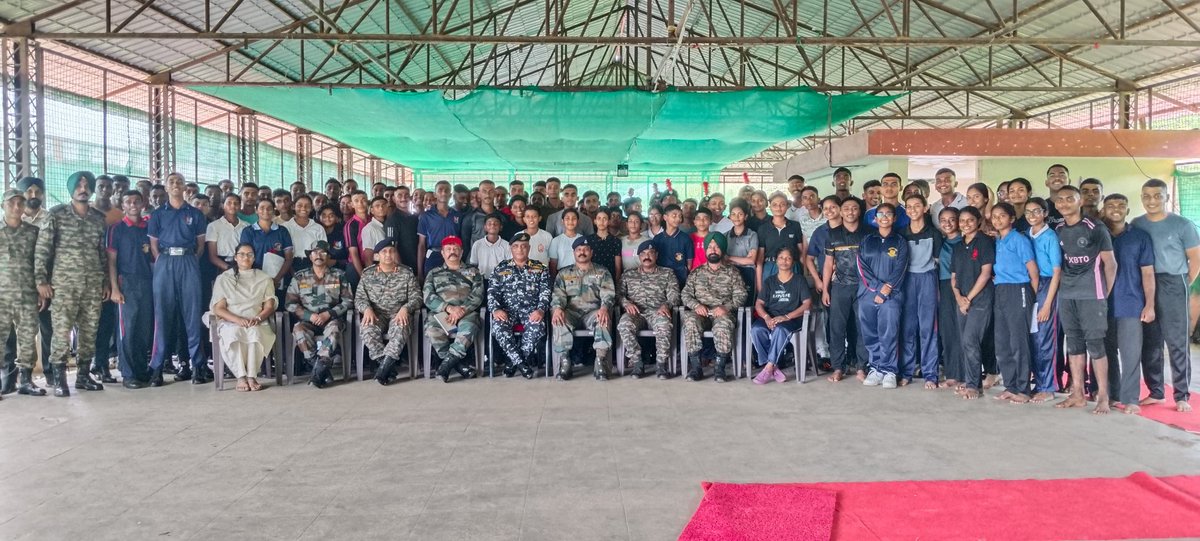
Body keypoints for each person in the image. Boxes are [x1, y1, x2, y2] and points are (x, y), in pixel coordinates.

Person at [34, 171, 111, 397]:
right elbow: (43, 251)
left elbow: (102, 253)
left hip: (92, 284)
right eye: (78, 185)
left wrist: (105, 282)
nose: (83, 188)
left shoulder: (98, 218)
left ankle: (84, 376)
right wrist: (41, 281)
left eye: (87, 185)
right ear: (71, 189)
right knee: (61, 332)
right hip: (64, 285)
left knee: (89, 331)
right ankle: (59, 378)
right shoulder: (56, 215)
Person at [1133, 178, 1200, 412]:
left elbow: (1196, 259)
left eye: (1157, 195)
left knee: (1176, 342)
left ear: (1166, 197)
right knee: (1150, 342)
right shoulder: (1137, 224)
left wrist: (1183, 284)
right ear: (1142, 198)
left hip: (1174, 282)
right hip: (1146, 285)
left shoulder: (1182, 224)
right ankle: (1156, 392)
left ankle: (1181, 395)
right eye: (1147, 196)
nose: (1152, 200)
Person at [1051, 186, 1117, 415]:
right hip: (1067, 294)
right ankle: (1077, 393)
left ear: (1080, 202)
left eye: (1070, 199)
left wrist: (1103, 294)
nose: (1064, 203)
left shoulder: (1095, 227)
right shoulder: (1058, 228)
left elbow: (1111, 264)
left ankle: (1103, 397)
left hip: (1092, 295)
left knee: (1096, 345)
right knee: (1074, 343)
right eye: (1060, 200)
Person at [148, 172, 209, 385]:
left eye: (179, 182)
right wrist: (165, 260)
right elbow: (154, 246)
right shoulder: (157, 215)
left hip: (188, 262)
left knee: (193, 315)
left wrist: (189, 260)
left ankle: (198, 365)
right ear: (166, 187)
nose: (175, 185)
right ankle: (157, 366)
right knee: (162, 315)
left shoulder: (195, 213)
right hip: (164, 262)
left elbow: (201, 245)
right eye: (171, 182)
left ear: (185, 187)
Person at [1101, 194, 1155, 414]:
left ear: (1127, 210)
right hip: (1101, 304)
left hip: (1131, 304)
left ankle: (1131, 398)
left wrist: (1149, 304)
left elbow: (1148, 273)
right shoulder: (1098, 234)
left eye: (1121, 205)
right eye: (1111, 205)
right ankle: (1113, 394)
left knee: (1131, 353)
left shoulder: (1140, 237)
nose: (1116, 209)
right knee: (1106, 352)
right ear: (1103, 210)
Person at [208, 243, 276, 392]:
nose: (246, 257)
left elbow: (269, 306)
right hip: (230, 320)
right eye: (242, 254)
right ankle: (240, 376)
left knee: (255, 333)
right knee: (234, 333)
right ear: (235, 257)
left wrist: (258, 318)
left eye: (250, 254)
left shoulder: (264, 278)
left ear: (254, 257)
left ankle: (252, 376)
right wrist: (238, 320)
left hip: (256, 320)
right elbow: (218, 308)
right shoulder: (224, 278)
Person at [285, 241, 353, 389]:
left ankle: (318, 370)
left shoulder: (338, 275)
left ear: (328, 256)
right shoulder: (300, 277)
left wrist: (328, 314)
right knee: (298, 330)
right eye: (315, 252)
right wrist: (309, 315)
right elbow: (290, 304)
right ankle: (321, 368)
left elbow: (348, 301)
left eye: (322, 252)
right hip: (308, 320)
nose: (318, 255)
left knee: (334, 330)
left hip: (332, 319)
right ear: (310, 256)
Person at [682, 232, 747, 383]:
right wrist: (696, 305)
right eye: (710, 247)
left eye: (717, 247)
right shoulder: (696, 272)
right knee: (690, 320)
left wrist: (726, 307)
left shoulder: (732, 272)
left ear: (722, 250)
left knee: (723, 325)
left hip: (722, 313)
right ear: (705, 250)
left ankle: (720, 368)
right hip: (701, 313)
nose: (713, 250)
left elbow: (741, 295)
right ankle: (696, 367)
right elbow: (685, 295)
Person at [990, 203, 1038, 403]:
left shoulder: (1019, 239)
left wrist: (1032, 300)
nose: (998, 219)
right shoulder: (997, 240)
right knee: (1002, 342)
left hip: (1019, 289)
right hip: (1000, 290)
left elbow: (1033, 271)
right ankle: (1010, 386)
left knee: (1019, 342)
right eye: (994, 216)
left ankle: (1023, 389)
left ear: (1011, 218)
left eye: (1002, 216)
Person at [857, 203, 909, 389]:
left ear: (894, 218)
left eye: (889, 214)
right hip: (867, 294)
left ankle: (889, 371)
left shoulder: (900, 241)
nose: (885, 217)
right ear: (875, 218)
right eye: (881, 214)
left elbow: (901, 268)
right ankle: (875, 368)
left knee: (889, 332)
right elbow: (862, 268)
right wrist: (877, 288)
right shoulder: (866, 240)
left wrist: (887, 290)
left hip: (892, 296)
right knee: (870, 332)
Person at [356, 239, 422, 386]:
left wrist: (406, 308)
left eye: (391, 251)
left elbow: (417, 297)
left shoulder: (406, 273)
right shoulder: (368, 274)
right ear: (377, 256)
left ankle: (384, 368)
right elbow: (359, 298)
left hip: (398, 313)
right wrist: (366, 308)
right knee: (367, 329)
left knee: (400, 328)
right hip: (376, 314)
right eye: (384, 252)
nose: (388, 255)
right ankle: (386, 367)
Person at [550, 237, 617, 380]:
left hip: (593, 312)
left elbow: (608, 293)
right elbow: (558, 294)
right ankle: (565, 361)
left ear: (591, 252)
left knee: (603, 319)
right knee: (559, 318)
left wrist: (604, 308)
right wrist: (557, 308)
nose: (582, 252)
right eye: (579, 250)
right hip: (571, 312)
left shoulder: (602, 271)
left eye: (586, 249)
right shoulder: (564, 273)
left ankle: (600, 361)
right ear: (574, 252)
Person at [106, 190, 154, 389]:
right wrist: (115, 288)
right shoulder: (117, 229)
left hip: (147, 282)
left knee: (144, 329)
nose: (133, 205)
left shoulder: (148, 227)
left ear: (143, 204)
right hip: (126, 283)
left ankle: (142, 370)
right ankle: (128, 374)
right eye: (128, 202)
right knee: (127, 330)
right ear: (123, 206)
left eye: (136, 201)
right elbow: (111, 261)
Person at [488, 232, 551, 379]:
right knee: (498, 327)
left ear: (529, 248)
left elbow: (546, 292)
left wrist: (541, 310)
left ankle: (513, 363)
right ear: (511, 248)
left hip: (531, 311)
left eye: (524, 246)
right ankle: (522, 364)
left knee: (538, 327)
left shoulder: (540, 268)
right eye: (516, 246)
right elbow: (492, 292)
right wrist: (496, 309)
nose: (520, 249)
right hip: (507, 312)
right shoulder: (500, 268)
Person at [0, 189, 44, 397]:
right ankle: (4, 382)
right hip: (1, 296)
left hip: (27, 294)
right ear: (3, 206)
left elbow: (39, 263)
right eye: (11, 203)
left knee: (27, 339)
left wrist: (41, 291)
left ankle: (26, 381)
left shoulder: (32, 232)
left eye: (20, 203)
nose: (16, 207)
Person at [423, 236, 484, 382]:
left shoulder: (473, 272)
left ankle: (444, 367)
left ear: (462, 252)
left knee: (469, 328)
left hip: (466, 313)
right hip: (441, 313)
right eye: (448, 249)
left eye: (456, 249)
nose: (452, 252)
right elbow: (428, 296)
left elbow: (478, 295)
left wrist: (461, 309)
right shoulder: (433, 273)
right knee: (431, 329)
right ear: (442, 253)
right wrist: (448, 308)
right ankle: (455, 364)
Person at [617, 241, 680, 379]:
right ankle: (637, 362)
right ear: (639, 257)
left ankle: (661, 364)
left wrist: (666, 305)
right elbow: (618, 294)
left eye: (651, 253)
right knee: (624, 325)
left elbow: (675, 295)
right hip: (635, 312)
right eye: (643, 253)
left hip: (658, 311)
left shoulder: (667, 273)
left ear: (656, 255)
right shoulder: (628, 274)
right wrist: (626, 303)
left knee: (664, 325)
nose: (647, 256)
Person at [822, 197, 869, 382]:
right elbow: (828, 264)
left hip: (863, 287)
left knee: (862, 328)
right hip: (840, 287)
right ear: (841, 212)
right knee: (837, 328)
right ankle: (838, 367)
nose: (850, 212)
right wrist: (826, 289)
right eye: (846, 208)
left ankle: (861, 367)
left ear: (860, 211)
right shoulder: (832, 236)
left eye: (854, 208)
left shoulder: (868, 234)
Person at [951, 206, 995, 400]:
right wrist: (960, 298)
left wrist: (968, 298)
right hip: (962, 302)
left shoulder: (985, 242)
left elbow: (986, 274)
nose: (965, 224)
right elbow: (954, 277)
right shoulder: (958, 246)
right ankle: (973, 382)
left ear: (978, 221)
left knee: (971, 340)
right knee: (966, 342)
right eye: (962, 221)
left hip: (981, 300)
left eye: (970, 220)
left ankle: (973, 386)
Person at [751, 246, 812, 384]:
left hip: (791, 319)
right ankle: (774, 367)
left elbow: (807, 304)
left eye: (788, 258)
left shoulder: (799, 281)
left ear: (793, 262)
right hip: (771, 317)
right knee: (756, 329)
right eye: (781, 258)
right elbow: (759, 303)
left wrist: (787, 317)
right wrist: (766, 317)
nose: (784, 261)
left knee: (780, 329)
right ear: (776, 261)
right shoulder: (769, 281)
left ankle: (768, 368)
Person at [901, 194, 942, 389]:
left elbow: (938, 261)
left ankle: (930, 374)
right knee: (908, 328)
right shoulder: (901, 233)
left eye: (917, 205)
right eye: (909, 206)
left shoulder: (934, 233)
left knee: (928, 329)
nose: (913, 209)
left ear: (925, 208)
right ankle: (907, 371)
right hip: (907, 280)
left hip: (927, 280)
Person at [1025, 197, 1062, 402]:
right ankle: (1037, 382)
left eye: (1036, 211)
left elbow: (1057, 272)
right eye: (1028, 212)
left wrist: (1047, 303)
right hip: (1030, 285)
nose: (1032, 216)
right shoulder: (1027, 235)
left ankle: (1048, 386)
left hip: (1047, 286)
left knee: (1045, 339)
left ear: (1045, 213)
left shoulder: (1050, 237)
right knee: (1033, 338)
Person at [239, 199, 294, 303]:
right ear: (256, 210)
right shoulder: (248, 231)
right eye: (262, 208)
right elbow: (244, 257)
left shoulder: (282, 231)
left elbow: (288, 258)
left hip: (278, 279)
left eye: (269, 208)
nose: (266, 211)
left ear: (274, 211)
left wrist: (276, 279)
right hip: (254, 280)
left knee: (277, 308)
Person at [936, 207, 963, 389]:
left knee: (965, 332)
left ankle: (968, 374)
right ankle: (952, 374)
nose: (947, 223)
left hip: (965, 287)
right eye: (943, 220)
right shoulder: (941, 243)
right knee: (948, 331)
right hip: (945, 286)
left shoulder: (967, 241)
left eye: (952, 219)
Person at [756, 192, 804, 290]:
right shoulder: (763, 229)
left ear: (787, 206)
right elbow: (760, 258)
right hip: (770, 268)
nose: (779, 207)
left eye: (782, 204)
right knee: (771, 300)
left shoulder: (795, 226)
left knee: (793, 299)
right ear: (770, 206)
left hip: (792, 267)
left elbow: (801, 252)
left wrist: (803, 272)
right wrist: (759, 285)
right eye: (775, 205)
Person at [417, 181, 462, 277]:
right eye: (440, 190)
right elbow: (421, 244)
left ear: (450, 194)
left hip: (453, 256)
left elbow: (461, 240)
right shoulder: (426, 216)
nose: (443, 193)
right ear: (435, 194)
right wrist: (420, 272)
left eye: (447, 190)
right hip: (434, 255)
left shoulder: (457, 215)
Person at [283, 194, 327, 273]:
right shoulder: (285, 227)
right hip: (289, 265)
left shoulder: (318, 228)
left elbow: (322, 251)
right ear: (293, 206)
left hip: (312, 264)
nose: (303, 208)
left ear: (312, 207)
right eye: (299, 205)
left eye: (307, 206)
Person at [725, 199, 759, 301]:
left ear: (746, 216)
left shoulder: (752, 235)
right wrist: (743, 259)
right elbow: (723, 259)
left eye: (740, 214)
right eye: (733, 214)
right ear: (730, 216)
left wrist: (729, 257)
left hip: (748, 272)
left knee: (747, 303)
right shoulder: (725, 236)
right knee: (730, 302)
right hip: (729, 273)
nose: (736, 217)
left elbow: (751, 260)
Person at [653, 204, 691, 285]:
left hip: (680, 279)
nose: (678, 219)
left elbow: (689, 264)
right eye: (674, 216)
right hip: (661, 279)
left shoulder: (685, 238)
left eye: (680, 216)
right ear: (665, 217)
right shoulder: (657, 239)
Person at [549, 208, 584, 274]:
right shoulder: (556, 241)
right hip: (562, 275)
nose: (570, 221)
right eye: (567, 218)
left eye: (574, 218)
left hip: (579, 274)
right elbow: (553, 264)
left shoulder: (582, 240)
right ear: (562, 221)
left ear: (578, 221)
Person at [590, 208, 622, 281]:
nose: (602, 221)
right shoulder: (589, 240)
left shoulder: (616, 241)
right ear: (595, 221)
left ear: (609, 222)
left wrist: (617, 282)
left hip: (610, 278)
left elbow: (618, 267)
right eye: (599, 218)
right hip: (592, 278)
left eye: (605, 219)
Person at [359, 196, 390, 266]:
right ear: (372, 211)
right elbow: (368, 255)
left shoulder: (391, 225)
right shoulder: (369, 228)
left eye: (384, 205)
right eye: (377, 206)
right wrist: (371, 274)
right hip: (378, 267)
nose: (381, 208)